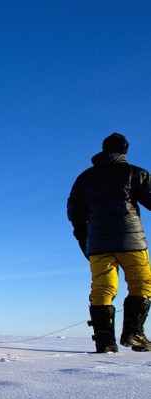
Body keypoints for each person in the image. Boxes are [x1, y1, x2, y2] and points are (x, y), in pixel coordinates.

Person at [67, 132, 151, 353]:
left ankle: (104, 341)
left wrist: (85, 240)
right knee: (141, 283)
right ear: (124, 150)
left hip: (98, 244)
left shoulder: (85, 178)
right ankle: (134, 333)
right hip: (131, 241)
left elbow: (75, 212)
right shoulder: (135, 173)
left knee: (103, 287)